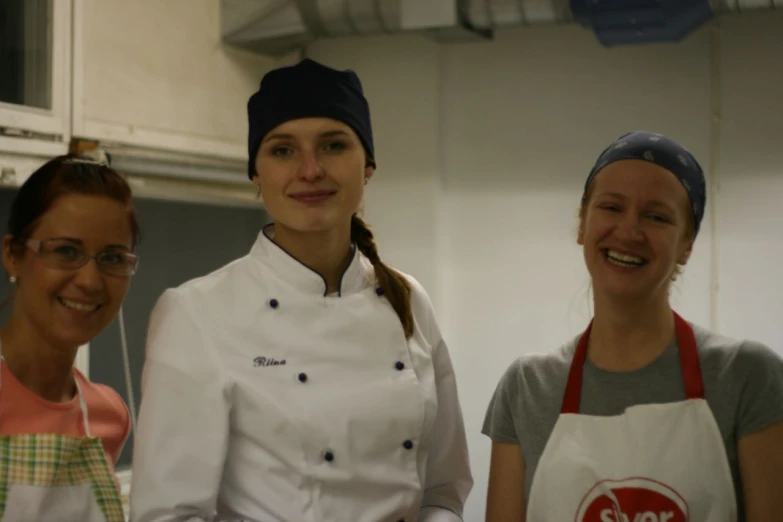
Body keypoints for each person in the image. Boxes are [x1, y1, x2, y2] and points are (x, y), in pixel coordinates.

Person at [129, 58, 472, 522]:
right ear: (256, 173)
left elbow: (443, 491)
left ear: (367, 164)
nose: (310, 170)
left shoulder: (408, 299)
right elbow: (167, 515)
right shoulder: (197, 312)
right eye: (283, 150)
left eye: (333, 144)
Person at [482, 131, 783, 521]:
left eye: (656, 216)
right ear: (582, 223)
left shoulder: (747, 376)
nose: (628, 232)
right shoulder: (528, 386)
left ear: (687, 244)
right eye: (611, 207)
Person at [0, 153, 140, 522]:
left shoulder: (108, 416)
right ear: (13, 255)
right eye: (66, 251)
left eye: (112, 258)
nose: (91, 281)